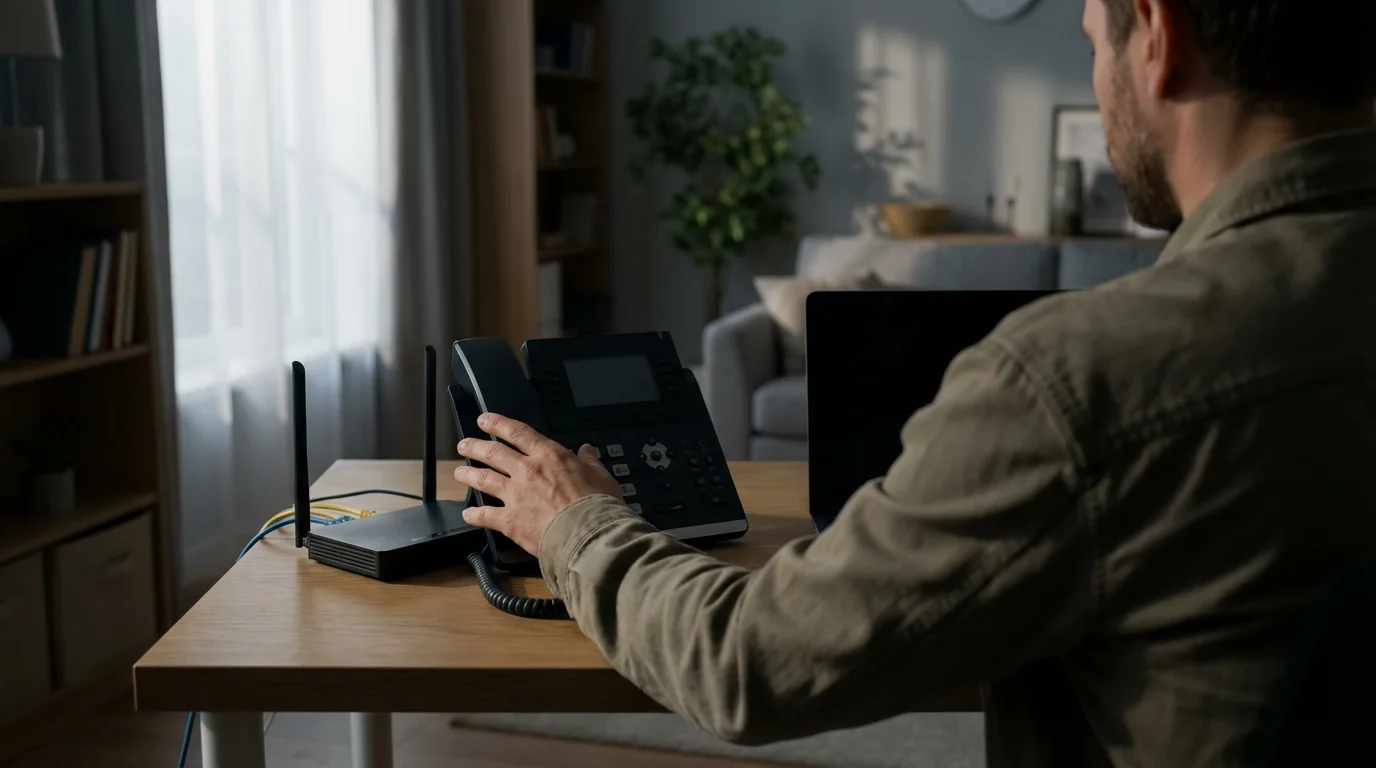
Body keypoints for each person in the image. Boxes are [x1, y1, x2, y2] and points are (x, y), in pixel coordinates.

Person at [454, 0, 1376, 764]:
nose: (1098, 89)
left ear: (1158, 35)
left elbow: (748, 665)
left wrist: (571, 520)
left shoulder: (1080, 380)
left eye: (1093, 41)